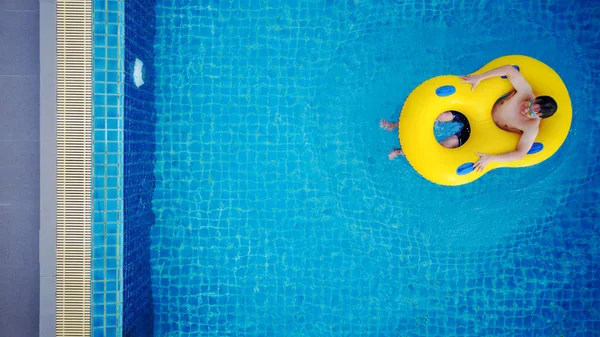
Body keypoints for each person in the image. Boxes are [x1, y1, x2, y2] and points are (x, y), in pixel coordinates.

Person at [381, 65, 558, 171]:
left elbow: (520, 154)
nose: (526, 110)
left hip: (482, 133)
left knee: (446, 144)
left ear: (538, 117)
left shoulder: (531, 127)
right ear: (534, 98)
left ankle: (401, 151)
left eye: (532, 113)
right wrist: (480, 77)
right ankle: (396, 125)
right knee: (440, 116)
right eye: (530, 105)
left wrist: (491, 159)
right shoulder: (525, 92)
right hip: (476, 111)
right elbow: (510, 70)